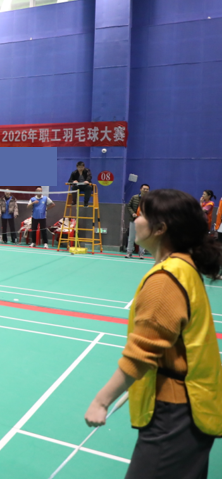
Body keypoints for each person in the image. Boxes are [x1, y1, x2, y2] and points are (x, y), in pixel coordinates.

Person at [84, 189, 222, 478]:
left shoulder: (165, 280)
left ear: (160, 229)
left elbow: (141, 353)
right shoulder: (184, 267)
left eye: (143, 214)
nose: (136, 218)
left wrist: (101, 401)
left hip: (175, 416)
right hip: (190, 410)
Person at [126, 184, 150, 259]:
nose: (145, 190)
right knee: (131, 237)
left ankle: (141, 254)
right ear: (140, 189)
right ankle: (129, 253)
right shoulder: (134, 197)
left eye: (147, 189)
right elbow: (129, 206)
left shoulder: (149, 199)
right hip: (134, 220)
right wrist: (133, 213)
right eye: (144, 189)